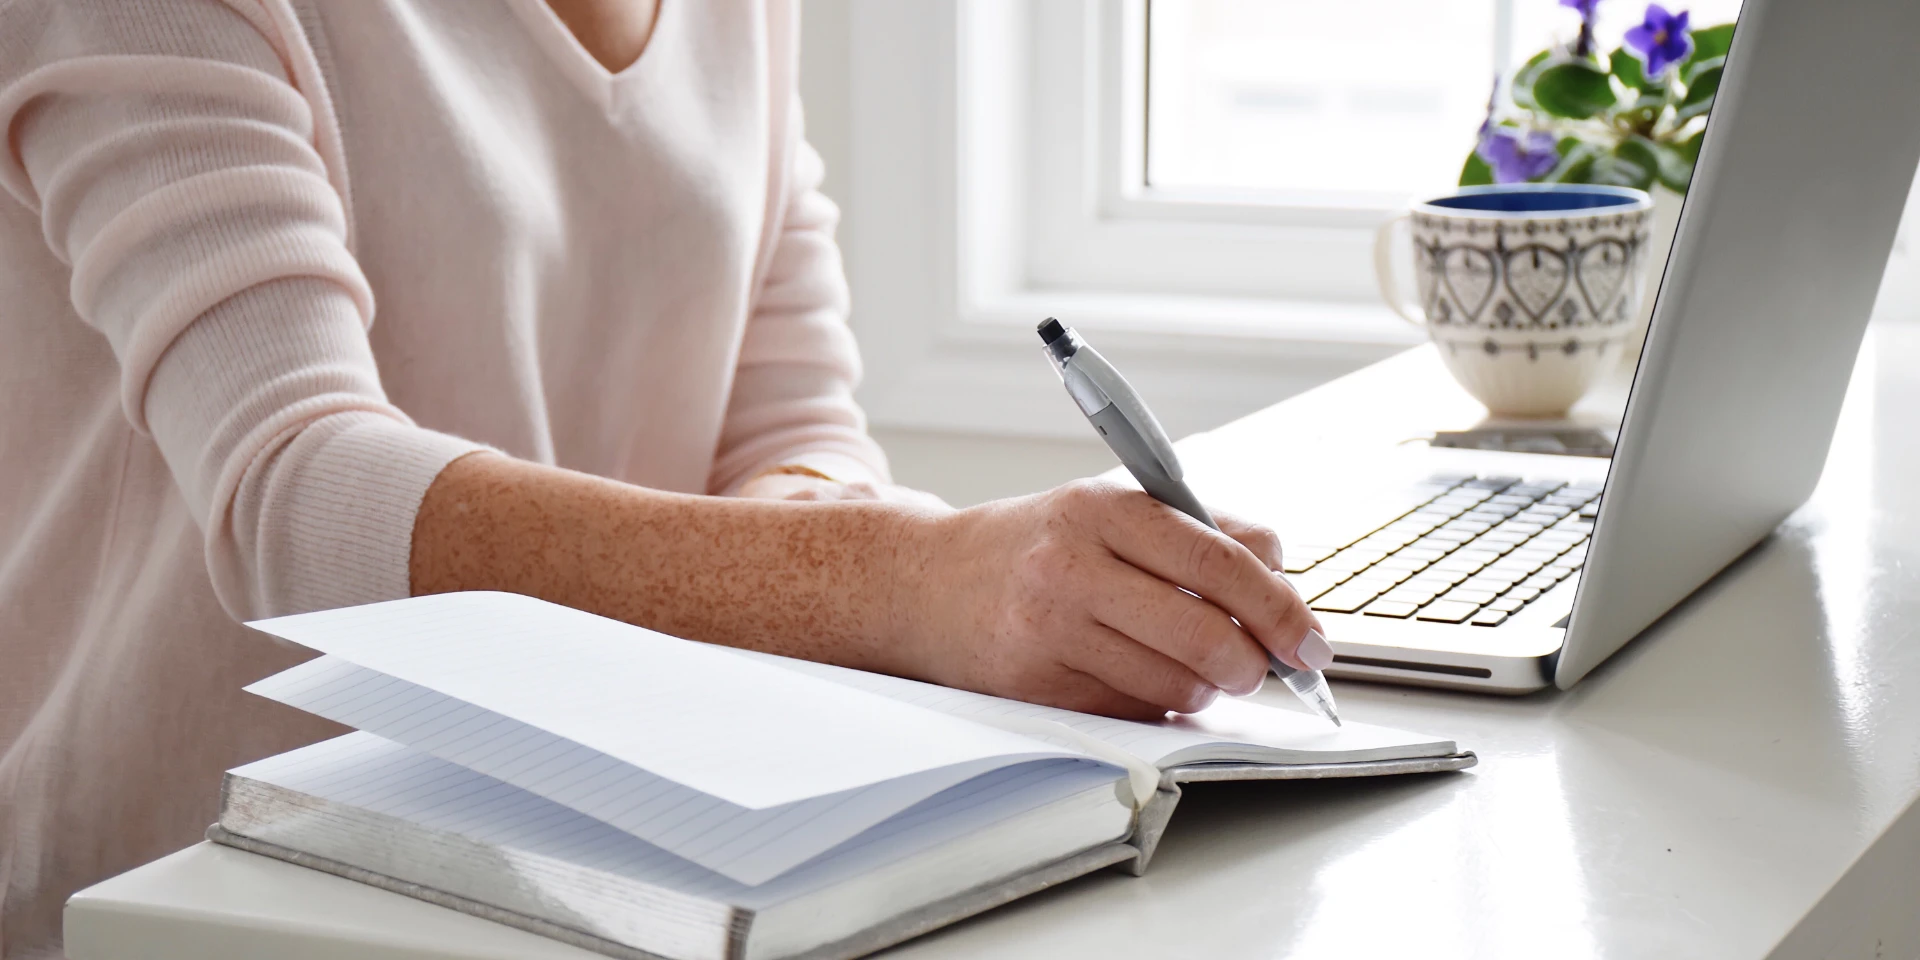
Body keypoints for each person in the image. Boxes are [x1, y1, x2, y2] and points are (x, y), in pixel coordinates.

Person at [0, 1, 1332, 954]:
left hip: (571, 864)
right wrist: (911, 581)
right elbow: (296, 496)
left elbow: (793, 431)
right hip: (184, 890)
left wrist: (943, 585)